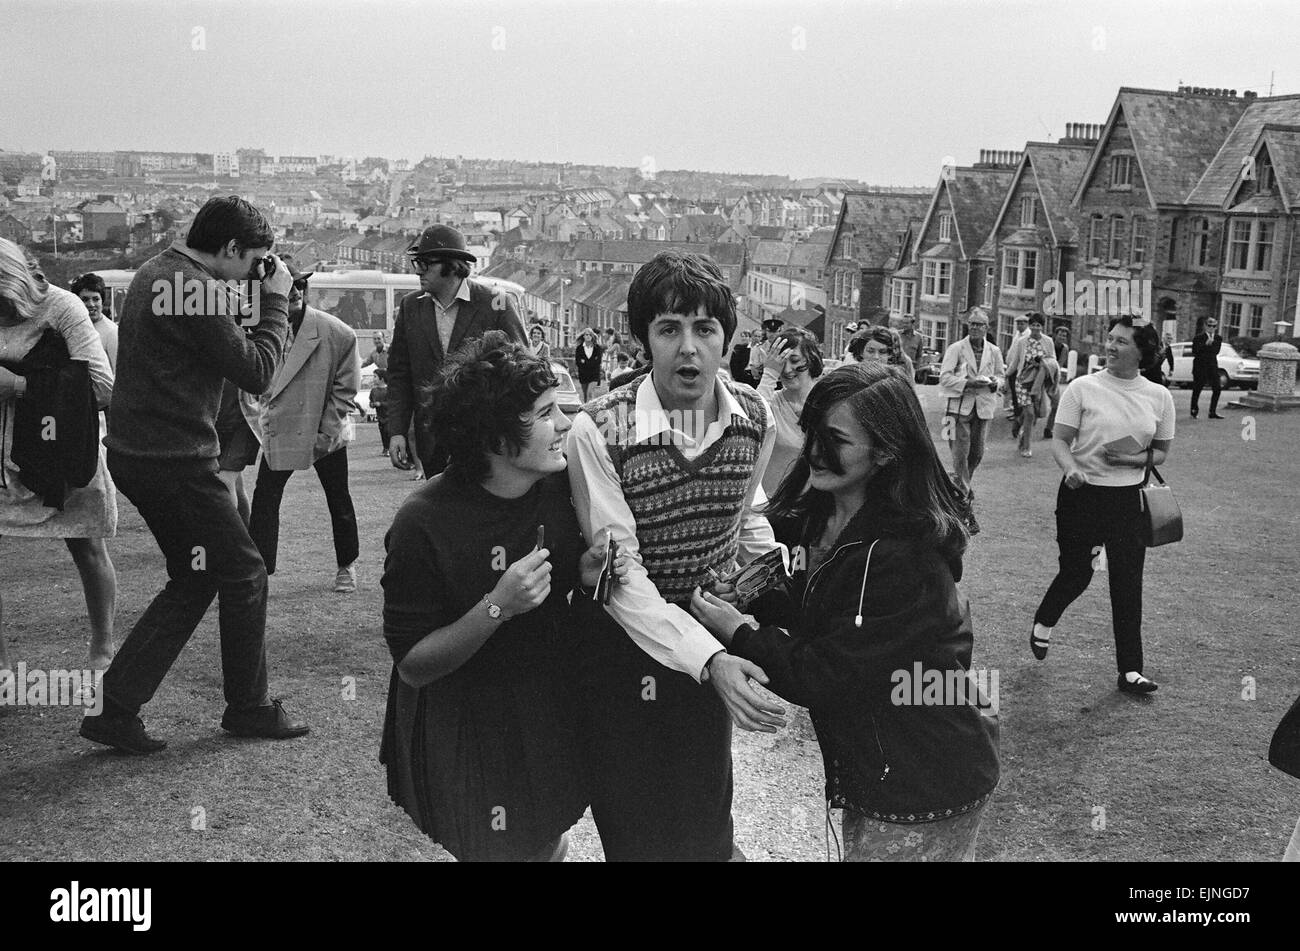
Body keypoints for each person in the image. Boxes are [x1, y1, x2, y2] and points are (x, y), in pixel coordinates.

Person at [690, 362, 999, 861]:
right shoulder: (828, 513)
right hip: (887, 768)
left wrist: (741, 633)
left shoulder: (904, 556)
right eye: (813, 431)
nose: (814, 451)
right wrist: (752, 596)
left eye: (836, 439)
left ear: (885, 451)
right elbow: (819, 608)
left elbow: (826, 673)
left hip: (927, 776)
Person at [566, 250, 787, 861]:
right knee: (636, 831)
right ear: (644, 340)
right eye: (669, 329)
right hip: (622, 656)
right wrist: (710, 657)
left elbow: (746, 521)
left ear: (725, 339)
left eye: (704, 329)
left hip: (707, 650)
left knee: (706, 818)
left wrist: (766, 601)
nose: (688, 348)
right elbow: (618, 575)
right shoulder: (598, 429)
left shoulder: (756, 418)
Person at [380, 331, 627, 861]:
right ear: (493, 439)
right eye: (543, 414)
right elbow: (414, 666)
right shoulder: (423, 521)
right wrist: (497, 606)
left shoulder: (561, 488)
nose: (563, 424)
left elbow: (570, 611)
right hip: (466, 722)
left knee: (545, 838)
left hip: (542, 705)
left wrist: (584, 581)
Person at [84, 196, 307, 754]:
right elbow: (255, 371)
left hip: (139, 454)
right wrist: (276, 303)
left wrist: (252, 296)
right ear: (230, 248)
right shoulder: (200, 290)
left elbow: (207, 342)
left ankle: (114, 708)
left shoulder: (155, 273)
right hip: (175, 459)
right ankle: (249, 707)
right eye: (254, 258)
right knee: (246, 572)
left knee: (197, 574)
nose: (257, 270)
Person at [1030, 316, 1174, 694]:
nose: (1110, 346)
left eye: (1122, 342)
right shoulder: (1083, 388)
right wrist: (1071, 467)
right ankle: (1044, 621)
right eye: (1110, 339)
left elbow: (1160, 453)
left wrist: (1131, 461)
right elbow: (1061, 441)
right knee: (1077, 573)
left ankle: (1130, 671)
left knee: (1127, 584)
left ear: (1142, 351)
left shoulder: (1159, 396)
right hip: (1082, 495)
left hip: (1128, 500)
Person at [0, 239, 118, 678]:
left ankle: (103, 651)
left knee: (86, 545)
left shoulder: (63, 308)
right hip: (0, 455)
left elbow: (103, 387)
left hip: (63, 448)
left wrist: (20, 385)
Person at [245, 262, 361, 593]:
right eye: (288, 286)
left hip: (327, 435)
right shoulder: (260, 330)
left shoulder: (338, 333)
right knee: (265, 498)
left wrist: (323, 436)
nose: (295, 291)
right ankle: (261, 569)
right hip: (281, 429)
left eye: (300, 285)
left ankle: (346, 566)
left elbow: (345, 392)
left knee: (339, 499)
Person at [387, 225, 527, 477]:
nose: (418, 272)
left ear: (452, 265)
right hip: (431, 439)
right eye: (416, 263)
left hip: (485, 438)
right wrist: (396, 431)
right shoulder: (410, 307)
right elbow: (399, 374)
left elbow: (522, 368)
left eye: (425, 263)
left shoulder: (496, 303)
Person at [938, 308, 1004, 534]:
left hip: (983, 409)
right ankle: (965, 509)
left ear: (987, 327)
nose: (975, 327)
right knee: (960, 457)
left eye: (979, 324)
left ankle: (958, 491)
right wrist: (967, 383)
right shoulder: (956, 349)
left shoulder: (994, 351)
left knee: (975, 455)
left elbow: (1001, 376)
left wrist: (996, 382)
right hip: (958, 410)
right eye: (972, 324)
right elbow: (944, 377)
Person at [757, 326, 822, 502]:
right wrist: (769, 375)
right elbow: (752, 423)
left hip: (816, 505)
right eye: (781, 362)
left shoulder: (828, 402)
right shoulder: (772, 402)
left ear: (812, 359)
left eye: (794, 360)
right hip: (774, 505)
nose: (786, 370)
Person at [1008, 313, 1059, 459]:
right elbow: (1015, 361)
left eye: (1038, 325)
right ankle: (1027, 447)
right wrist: (1005, 377)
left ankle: (1021, 428)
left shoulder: (1048, 341)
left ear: (1042, 327)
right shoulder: (1022, 341)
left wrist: (1042, 362)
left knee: (1035, 414)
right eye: (1033, 325)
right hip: (1022, 381)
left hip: (1037, 382)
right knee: (1030, 413)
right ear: (1030, 326)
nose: (1035, 328)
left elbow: (1053, 360)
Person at [71, 272, 117, 373]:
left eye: (96, 299)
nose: (91, 304)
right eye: (85, 299)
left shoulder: (112, 332)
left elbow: (118, 373)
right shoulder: (72, 328)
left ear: (102, 301)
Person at [849, 325, 915, 382]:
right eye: (870, 351)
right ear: (861, 352)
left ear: (889, 355)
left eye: (882, 352)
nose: (876, 357)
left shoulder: (897, 383)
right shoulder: (850, 378)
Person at [1043, 324, 1073, 439]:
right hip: (1042, 374)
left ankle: (1048, 429)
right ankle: (1019, 423)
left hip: (1053, 377)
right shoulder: (1048, 343)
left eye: (1064, 336)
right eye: (1060, 335)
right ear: (1055, 335)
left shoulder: (1065, 348)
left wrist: (1055, 380)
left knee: (1056, 404)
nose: (1062, 337)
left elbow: (1059, 364)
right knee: (1035, 406)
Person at [1190, 317, 1223, 419]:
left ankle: (1212, 412)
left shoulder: (1218, 338)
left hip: (1212, 366)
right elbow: (1195, 351)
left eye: (1214, 326)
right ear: (1205, 326)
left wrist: (1210, 345)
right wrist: (1206, 345)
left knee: (1217, 388)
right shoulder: (1198, 338)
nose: (1211, 328)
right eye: (1209, 325)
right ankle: (1194, 410)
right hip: (1200, 366)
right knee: (1197, 388)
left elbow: (1216, 351)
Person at [1003, 313, 1031, 434]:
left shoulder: (1027, 336)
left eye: (1022, 323)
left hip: (1019, 369)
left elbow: (1021, 356)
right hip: (1012, 366)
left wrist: (1010, 371)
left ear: (1026, 324)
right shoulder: (1018, 334)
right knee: (1013, 393)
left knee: (1017, 394)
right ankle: (1016, 414)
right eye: (1018, 323)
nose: (1019, 325)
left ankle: (1019, 417)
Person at [365, 333, 391, 455]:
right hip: (382, 380)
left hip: (393, 380)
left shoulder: (390, 349)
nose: (377, 341)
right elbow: (365, 362)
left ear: (384, 339)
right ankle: (386, 446)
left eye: (379, 338)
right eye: (374, 339)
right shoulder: (373, 353)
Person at [573, 327, 604, 402]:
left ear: (592, 336)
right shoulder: (579, 348)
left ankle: (591, 411)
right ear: (583, 336)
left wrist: (585, 362)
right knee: (585, 395)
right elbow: (578, 362)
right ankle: (586, 411)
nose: (588, 336)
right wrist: (591, 362)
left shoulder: (597, 348)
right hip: (583, 375)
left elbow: (598, 361)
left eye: (590, 335)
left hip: (594, 375)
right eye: (586, 334)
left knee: (590, 393)